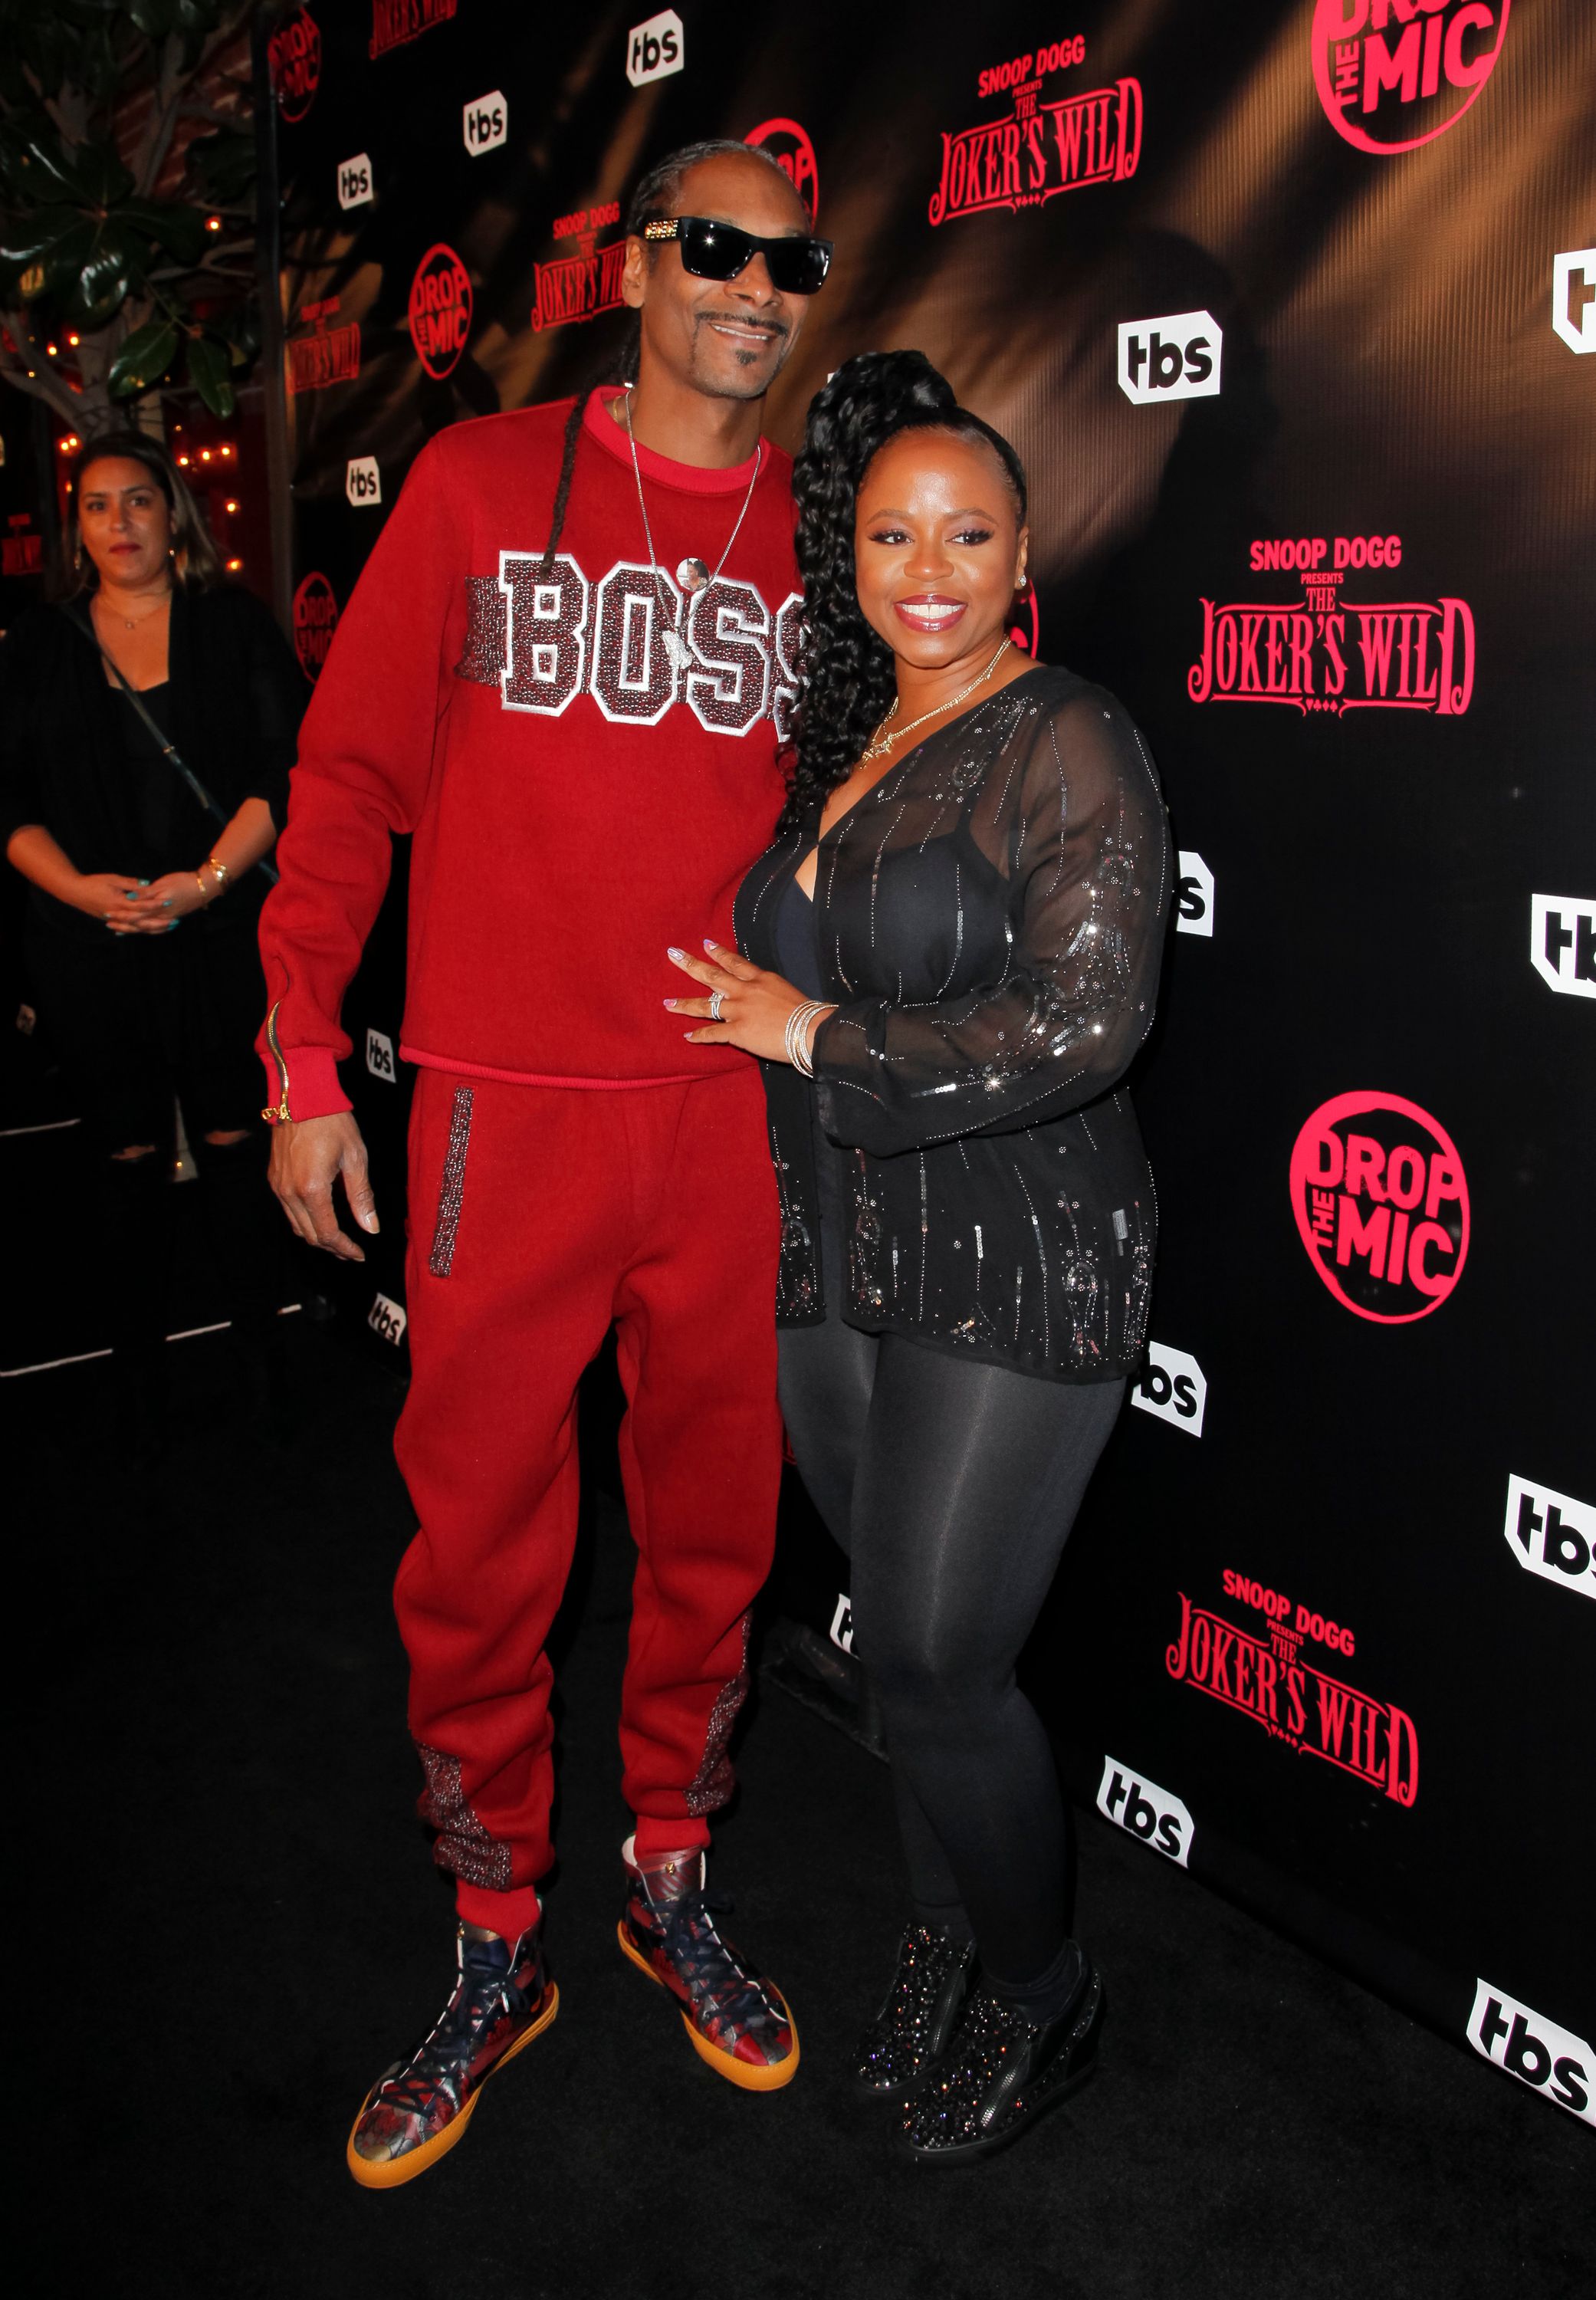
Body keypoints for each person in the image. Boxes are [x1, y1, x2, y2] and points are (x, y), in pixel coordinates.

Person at [258, 140, 833, 2186]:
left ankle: (667, 1876)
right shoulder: (487, 484)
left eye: (788, 262)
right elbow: (340, 787)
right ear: (639, 267)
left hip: (724, 1124)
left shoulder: (825, 542)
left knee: (711, 1539)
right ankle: (494, 1930)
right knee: (478, 1551)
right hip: (501, 1109)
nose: (751, 289)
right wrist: (303, 1056)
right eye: (713, 250)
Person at [667, 350, 1170, 2164]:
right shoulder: (846, 737)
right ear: (853, 555)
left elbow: (1091, 1019)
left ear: (1025, 541)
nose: (929, 565)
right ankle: (947, 1935)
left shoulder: (1068, 732)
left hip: (1017, 1254)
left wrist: (815, 1038)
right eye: (893, 532)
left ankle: (1050, 2000)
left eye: (968, 529)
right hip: (845, 1261)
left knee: (950, 1665)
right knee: (895, 1662)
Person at [0, 430, 299, 1441]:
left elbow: (278, 776)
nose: (119, 522)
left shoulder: (234, 626)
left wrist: (206, 883)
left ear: (175, 513)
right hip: (90, 952)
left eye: (137, 500)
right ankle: (137, 1380)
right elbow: (7, 805)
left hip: (218, 940)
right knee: (124, 1158)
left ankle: (262, 1361)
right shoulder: (40, 646)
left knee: (230, 1144)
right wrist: (86, 895)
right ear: (75, 530)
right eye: (96, 505)